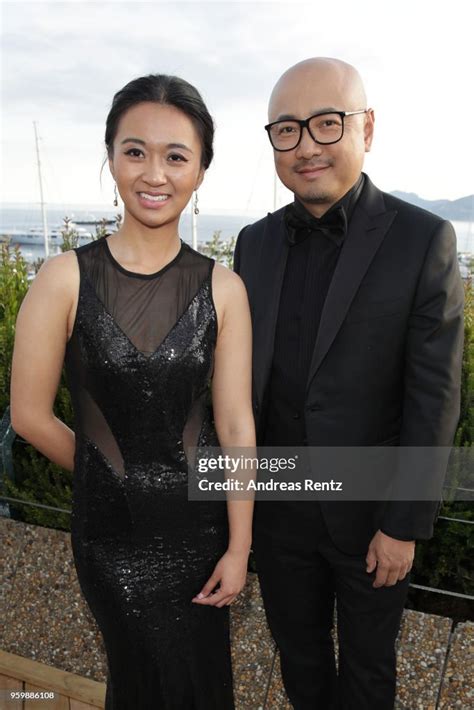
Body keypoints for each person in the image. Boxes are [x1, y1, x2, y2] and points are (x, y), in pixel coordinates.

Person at [10, 73, 255, 709]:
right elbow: (30, 417)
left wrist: (238, 546)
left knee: (202, 685)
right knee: (145, 683)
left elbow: (234, 426)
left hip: (202, 537)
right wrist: (112, 480)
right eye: (135, 150)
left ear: (200, 170)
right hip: (111, 540)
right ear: (111, 156)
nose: (155, 173)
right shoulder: (62, 280)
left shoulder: (223, 289)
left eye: (177, 156)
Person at [233, 57, 464, 709]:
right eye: (286, 129)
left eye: (326, 124)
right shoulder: (252, 245)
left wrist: (405, 525)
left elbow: (434, 396)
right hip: (278, 515)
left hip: (372, 521)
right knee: (299, 662)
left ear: (367, 128)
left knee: (368, 676)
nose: (305, 146)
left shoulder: (423, 240)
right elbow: (237, 383)